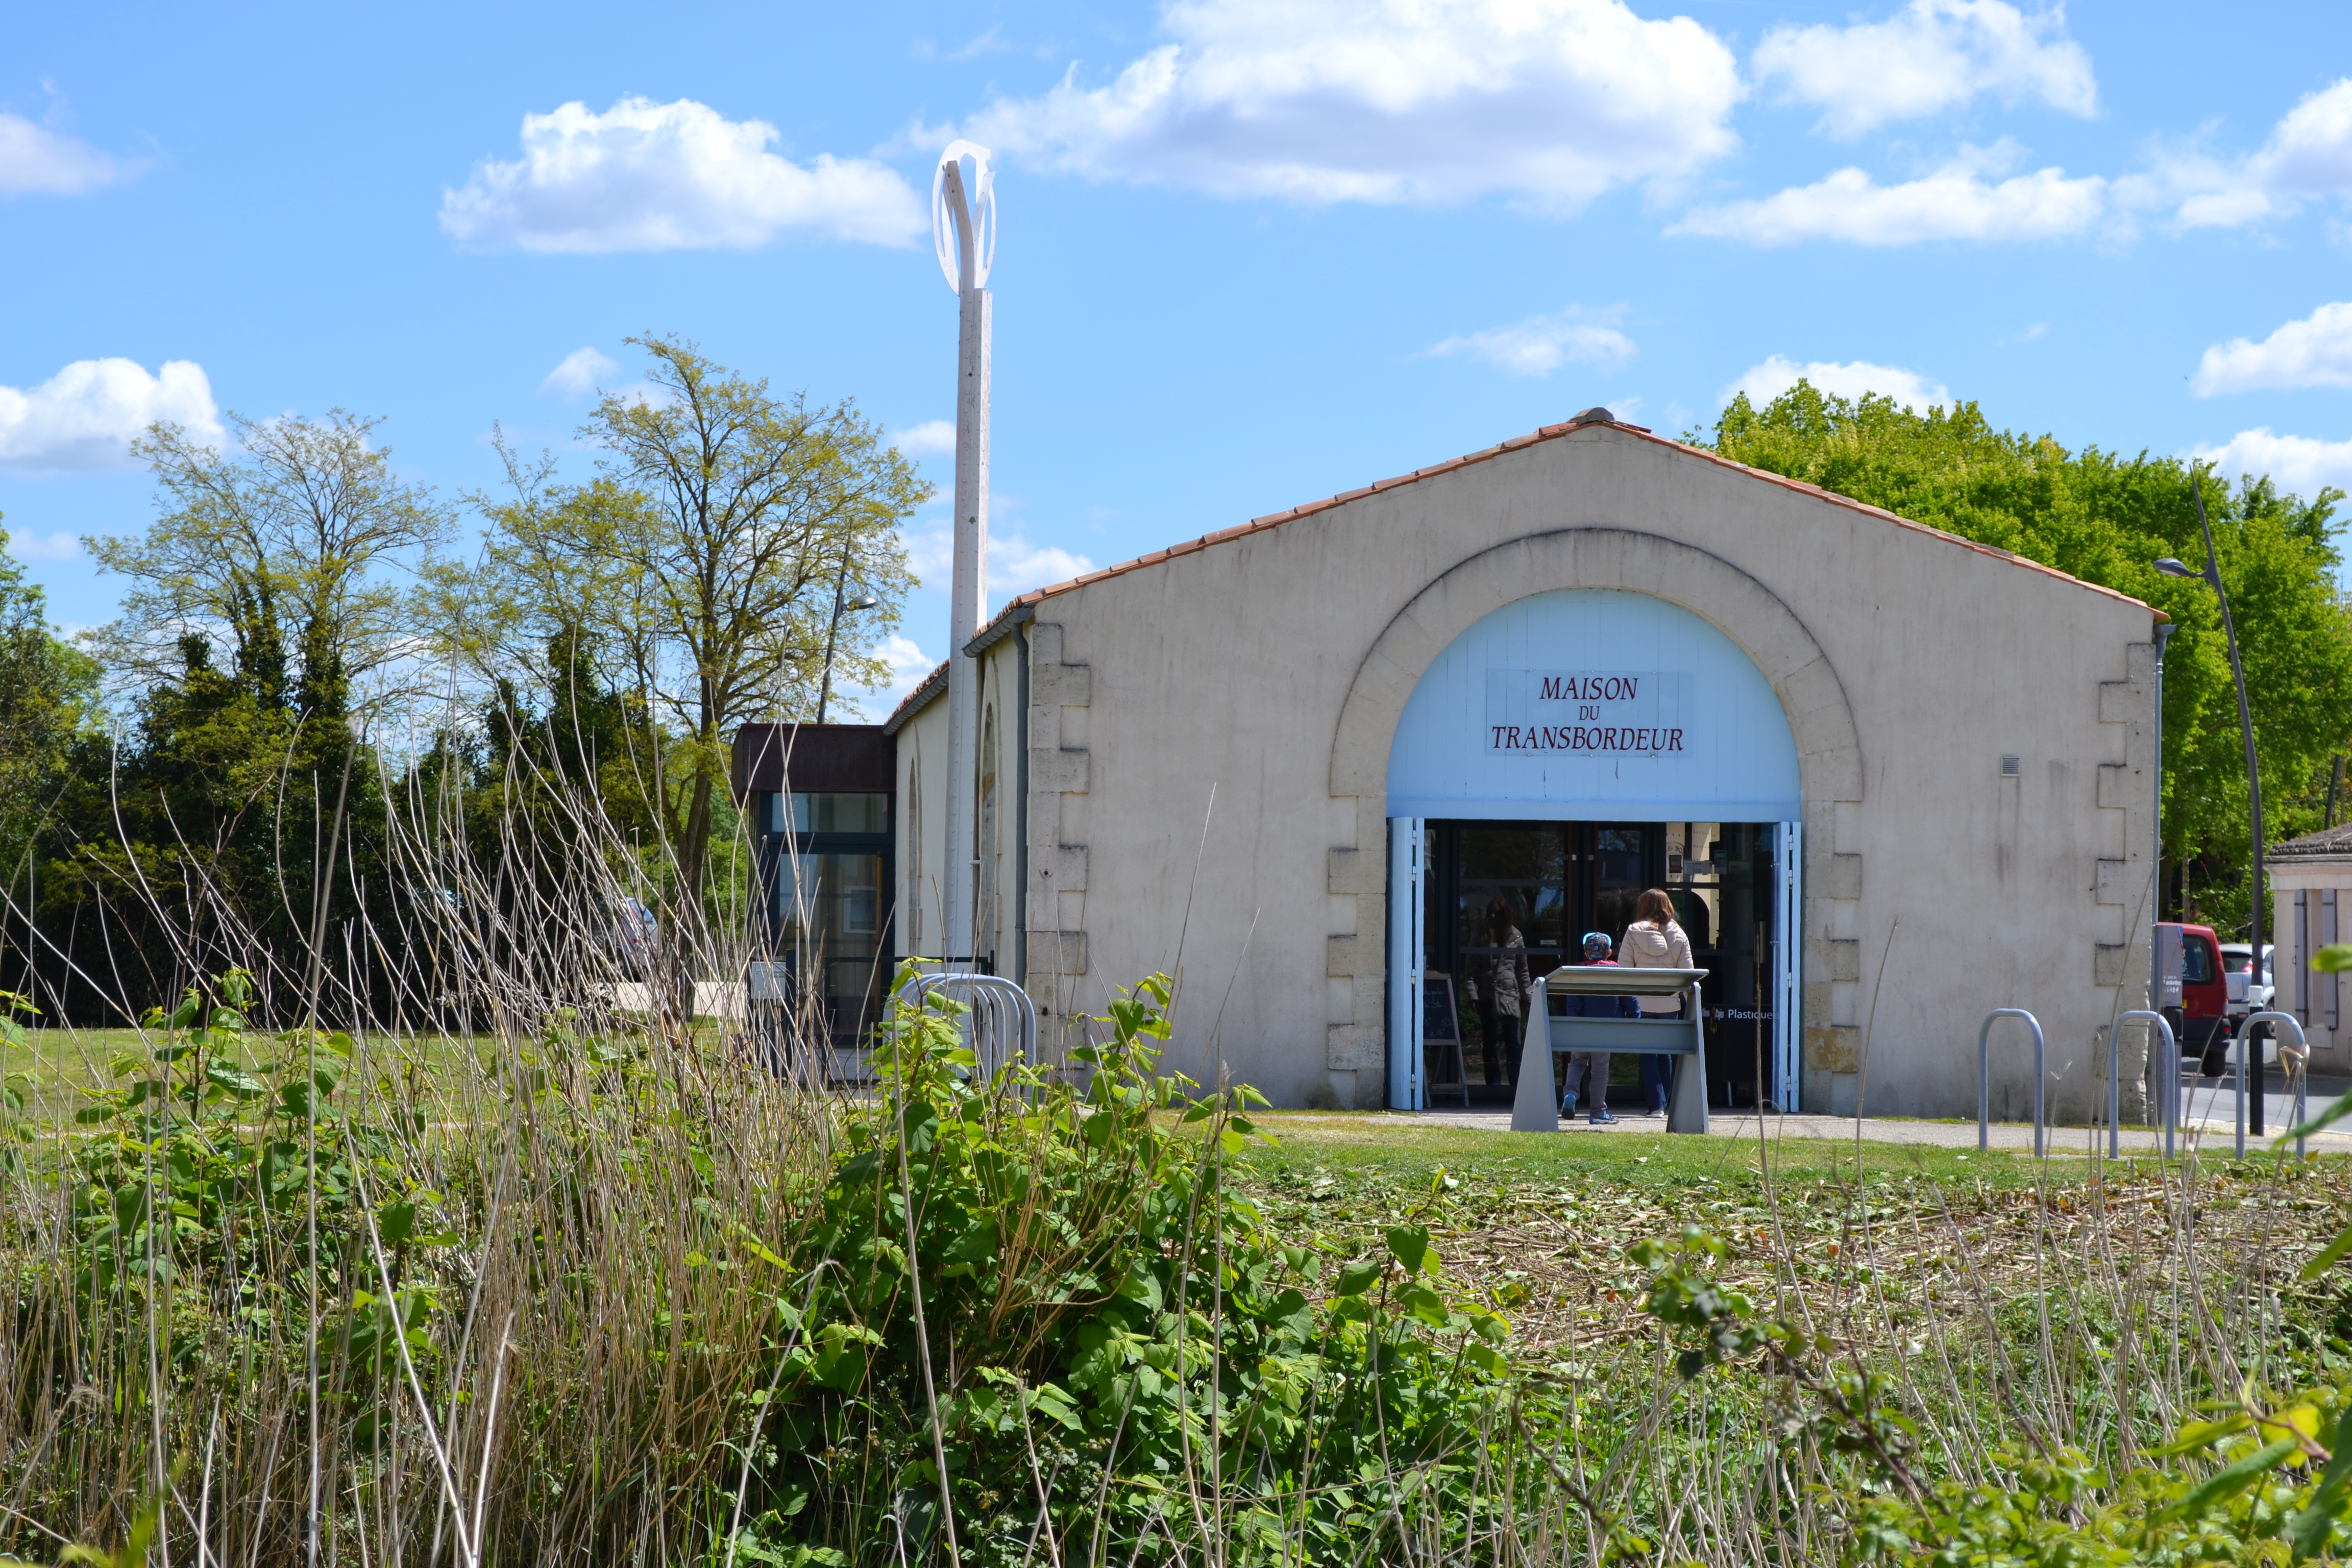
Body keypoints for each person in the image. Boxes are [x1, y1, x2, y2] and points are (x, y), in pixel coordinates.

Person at [1621, 888, 1695, 1116]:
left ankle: (1656, 1105)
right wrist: (1688, 1003)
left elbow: (1623, 970)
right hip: (1669, 1003)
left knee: (1647, 1054)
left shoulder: (1633, 932)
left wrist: (1625, 1002)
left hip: (1642, 1003)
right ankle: (1666, 1103)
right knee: (1666, 1053)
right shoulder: (1679, 934)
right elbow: (1688, 973)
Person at [1560, 930, 1635, 1123]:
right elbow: (1630, 999)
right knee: (1600, 1069)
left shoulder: (1578, 972)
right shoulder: (1617, 971)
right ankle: (1598, 1112)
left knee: (1577, 1062)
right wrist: (1635, 1018)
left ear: (1586, 954)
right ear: (1609, 953)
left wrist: (1573, 1024)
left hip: (1582, 1028)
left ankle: (1570, 1093)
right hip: (1606, 1029)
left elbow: (1573, 1003)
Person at [1463, 896, 1531, 1089]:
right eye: (1491, 912)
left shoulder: (1516, 937)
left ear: (1506, 915)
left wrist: (1528, 997)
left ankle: (1516, 1084)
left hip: (1509, 996)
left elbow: (1523, 970)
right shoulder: (1480, 936)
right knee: (1490, 1040)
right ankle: (1493, 1084)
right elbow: (1470, 968)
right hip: (1487, 995)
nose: (1493, 916)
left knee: (1513, 1041)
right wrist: (1472, 994)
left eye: (1498, 913)